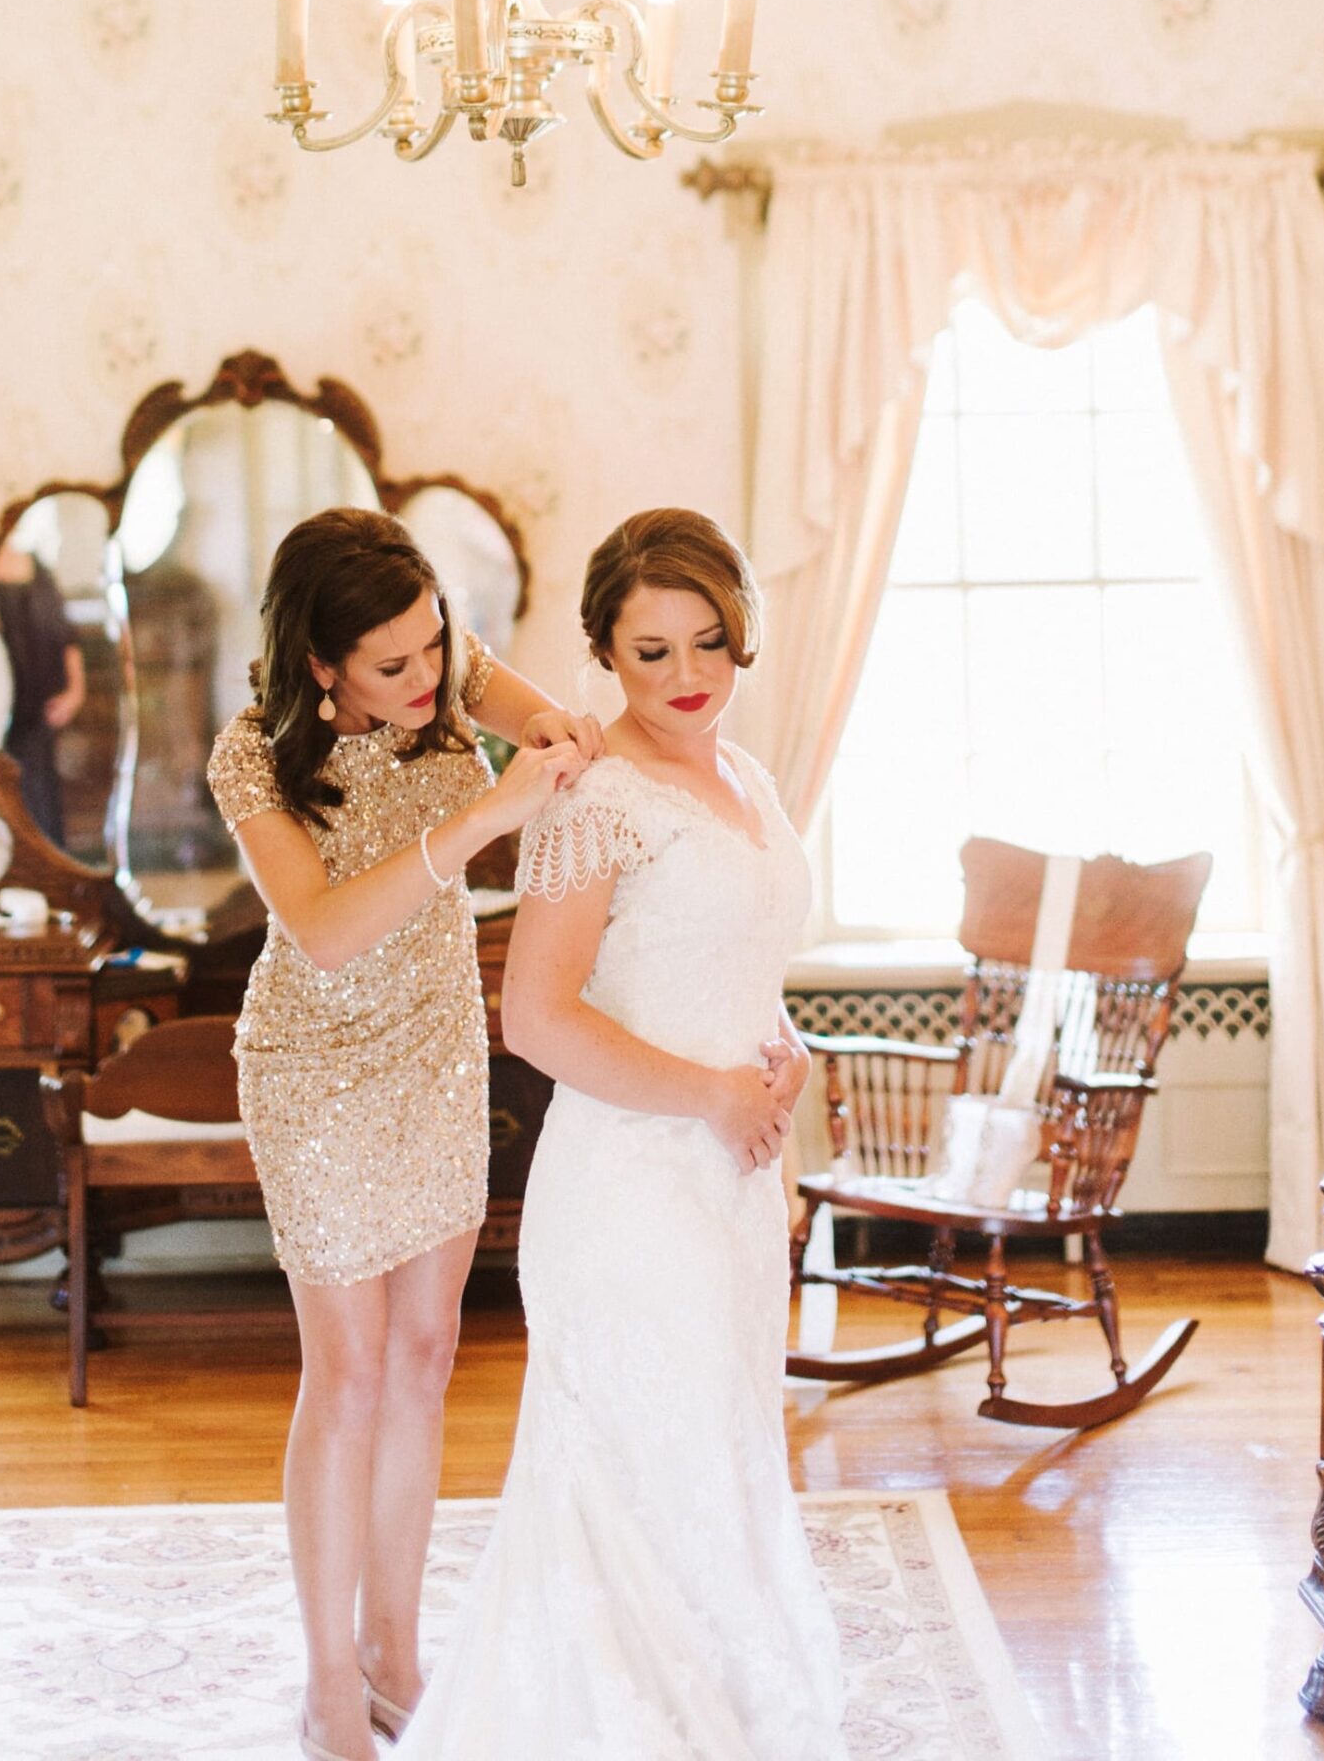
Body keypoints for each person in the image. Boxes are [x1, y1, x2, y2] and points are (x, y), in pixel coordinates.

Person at [396, 507, 849, 1761]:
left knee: (717, 1464)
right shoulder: (593, 797)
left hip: (736, 1186)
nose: (686, 677)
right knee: (644, 1479)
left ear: (742, 631)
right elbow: (534, 1015)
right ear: (601, 651)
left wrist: (778, 1048)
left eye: (707, 641)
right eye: (650, 653)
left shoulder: (744, 777)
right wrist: (710, 1094)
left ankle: (711, 1718)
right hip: (631, 1199)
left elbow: (730, 958)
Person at [205, 506, 597, 1761]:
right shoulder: (249, 758)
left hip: (435, 1048)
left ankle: (395, 1647)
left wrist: (556, 739)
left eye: (435, 644)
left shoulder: (446, 663)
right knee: (353, 1370)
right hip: (311, 1068)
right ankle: (329, 1681)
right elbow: (319, 926)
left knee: (428, 1352)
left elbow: (553, 731)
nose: (428, 678)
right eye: (392, 663)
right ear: (319, 664)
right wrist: (484, 818)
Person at [0, 536, 86, 847]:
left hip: (40, 710)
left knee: (39, 795)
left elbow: (66, 638)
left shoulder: (37, 569)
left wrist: (75, 692)